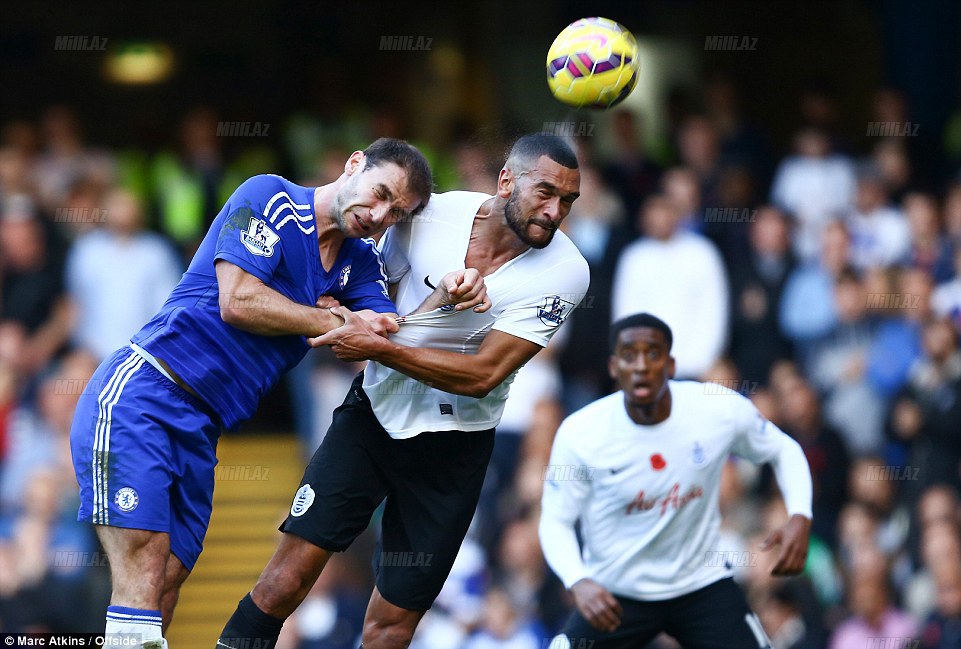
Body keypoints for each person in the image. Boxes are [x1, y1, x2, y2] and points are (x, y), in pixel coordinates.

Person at [216, 133, 590, 649]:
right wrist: (429, 303)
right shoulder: (427, 215)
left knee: (390, 626)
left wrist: (375, 347)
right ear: (507, 180)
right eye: (545, 192)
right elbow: (368, 299)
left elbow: (483, 375)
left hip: (455, 448)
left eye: (567, 201)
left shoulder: (567, 271)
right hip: (372, 416)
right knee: (284, 581)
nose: (554, 211)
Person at [68, 138, 441, 648]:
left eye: (397, 213)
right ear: (354, 164)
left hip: (203, 427)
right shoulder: (270, 196)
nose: (379, 215)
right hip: (144, 393)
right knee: (144, 562)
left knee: (167, 583)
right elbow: (238, 300)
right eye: (379, 194)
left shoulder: (357, 262)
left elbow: (381, 332)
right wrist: (333, 315)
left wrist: (447, 295)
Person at [538, 313, 813, 648]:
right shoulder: (582, 434)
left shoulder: (715, 411)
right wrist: (578, 580)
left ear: (670, 365)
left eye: (652, 354)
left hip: (700, 584)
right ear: (613, 367)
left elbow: (783, 449)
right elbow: (556, 520)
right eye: (629, 355)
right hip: (616, 592)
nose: (640, 365)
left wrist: (800, 514)